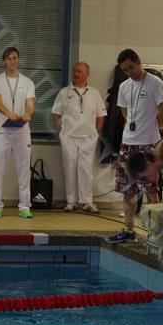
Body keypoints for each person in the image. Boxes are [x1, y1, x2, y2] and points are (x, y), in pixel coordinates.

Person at [107, 49, 163, 243]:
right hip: (128, 144)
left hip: (148, 145)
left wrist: (150, 129)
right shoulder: (124, 86)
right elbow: (125, 113)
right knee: (128, 190)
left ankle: (156, 233)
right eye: (125, 70)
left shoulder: (155, 83)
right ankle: (128, 229)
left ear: (139, 62)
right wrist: (132, 130)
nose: (129, 72)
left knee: (151, 190)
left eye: (131, 67)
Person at [52, 61, 107, 214]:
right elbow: (56, 114)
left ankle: (87, 201)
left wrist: (95, 132)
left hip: (88, 137)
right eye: (75, 71)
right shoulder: (64, 92)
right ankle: (71, 201)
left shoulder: (94, 93)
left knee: (86, 169)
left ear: (87, 74)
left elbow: (101, 115)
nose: (76, 74)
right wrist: (62, 132)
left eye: (80, 71)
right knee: (69, 168)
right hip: (68, 136)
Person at [0, 47, 36, 219]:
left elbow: (30, 102)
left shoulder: (27, 82)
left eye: (15, 58)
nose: (13, 61)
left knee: (23, 169)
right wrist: (9, 113)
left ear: (18, 59)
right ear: (4, 61)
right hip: (2, 130)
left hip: (22, 130)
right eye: (9, 58)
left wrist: (28, 113)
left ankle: (24, 206)